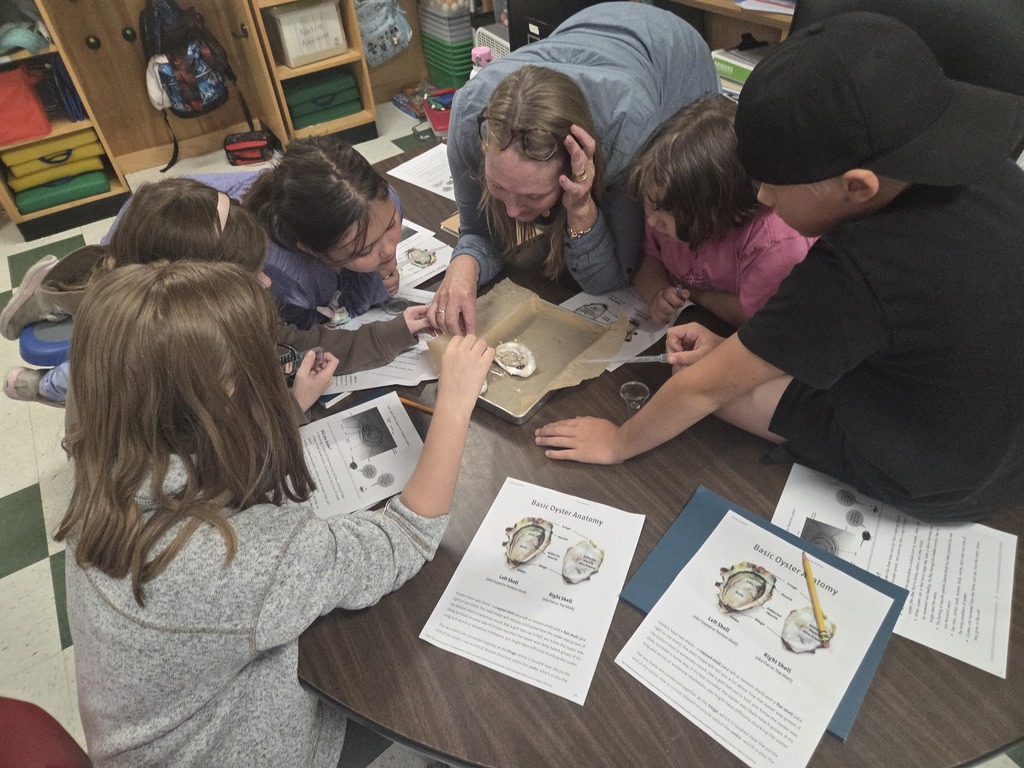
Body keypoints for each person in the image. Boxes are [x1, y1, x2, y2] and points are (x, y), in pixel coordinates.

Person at [535, 12, 1024, 523]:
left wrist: (618, 441)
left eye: (773, 186)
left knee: (700, 380)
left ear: (856, 186)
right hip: (1002, 442)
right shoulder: (989, 171)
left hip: (941, 475)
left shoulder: (854, 269)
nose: (763, 198)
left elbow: (706, 389)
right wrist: (742, 351)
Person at [55, 260, 494, 766]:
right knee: (444, 686)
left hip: (174, 728)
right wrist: (455, 401)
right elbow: (406, 537)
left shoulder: (106, 465)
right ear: (228, 394)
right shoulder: (233, 556)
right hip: (247, 746)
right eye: (269, 360)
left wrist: (296, 404)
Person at [4, 178, 431, 415]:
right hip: (104, 388)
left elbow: (296, 341)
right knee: (81, 377)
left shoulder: (214, 294)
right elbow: (233, 460)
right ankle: (43, 379)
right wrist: (296, 403)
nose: (267, 286)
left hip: (132, 272)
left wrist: (398, 330)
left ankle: (52, 296)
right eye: (252, 277)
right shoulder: (163, 378)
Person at [431, 1, 719, 335]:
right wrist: (463, 266)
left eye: (532, 196)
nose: (512, 211)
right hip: (594, 29)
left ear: (575, 165)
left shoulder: (629, 132)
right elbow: (478, 232)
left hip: (674, 54)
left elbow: (611, 277)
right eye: (498, 187)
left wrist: (581, 207)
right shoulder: (468, 115)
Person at [628, 95, 814, 327]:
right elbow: (646, 256)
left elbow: (754, 318)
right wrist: (658, 293)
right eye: (649, 204)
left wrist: (696, 294)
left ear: (713, 210)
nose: (651, 221)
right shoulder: (663, 202)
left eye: (664, 210)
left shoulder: (773, 244)